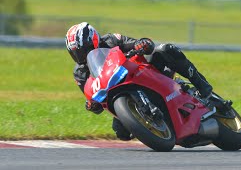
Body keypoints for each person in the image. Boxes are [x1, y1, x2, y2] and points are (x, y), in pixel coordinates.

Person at [65, 22, 213, 141]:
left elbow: (141, 44)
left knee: (166, 50)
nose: (81, 55)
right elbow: (94, 98)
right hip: (117, 95)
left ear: (94, 40)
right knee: (121, 133)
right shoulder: (80, 73)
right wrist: (91, 104)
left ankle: (201, 84)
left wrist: (142, 44)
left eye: (83, 50)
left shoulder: (111, 40)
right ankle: (155, 126)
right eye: (76, 52)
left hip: (140, 72)